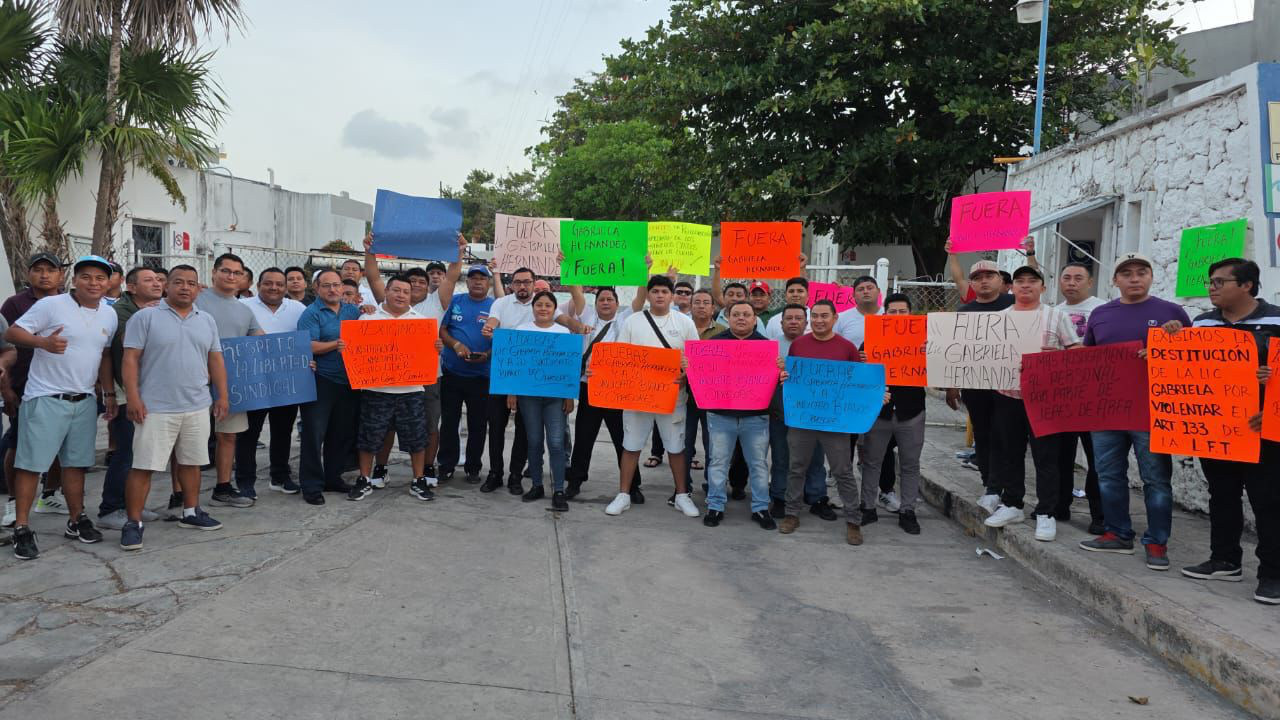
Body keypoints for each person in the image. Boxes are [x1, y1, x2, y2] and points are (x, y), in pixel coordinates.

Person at [1174, 258, 1279, 605]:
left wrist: (1272, 395)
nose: (1212, 288)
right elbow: (1189, 368)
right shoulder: (1202, 322)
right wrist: (1171, 342)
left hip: (1264, 430)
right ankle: (1224, 559)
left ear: (1247, 285)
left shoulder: (1277, 320)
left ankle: (1273, 574)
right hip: (1217, 428)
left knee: (1268, 501)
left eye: (1220, 282)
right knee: (1221, 494)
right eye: (1210, 282)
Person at [1078, 252, 1190, 570]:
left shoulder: (1172, 313)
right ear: (1115, 280)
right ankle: (1117, 533)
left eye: (1142, 272)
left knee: (1156, 480)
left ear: (1151, 277)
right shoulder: (1100, 314)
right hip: (1107, 412)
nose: (1135, 278)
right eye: (1127, 273)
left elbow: (1195, 360)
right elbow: (1087, 360)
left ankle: (1157, 542)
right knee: (1108, 476)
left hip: (1151, 412)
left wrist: (1170, 345)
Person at [3, 256, 118, 559]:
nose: (93, 283)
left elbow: (105, 356)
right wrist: (42, 343)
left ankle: (76, 519)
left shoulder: (109, 314)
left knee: (76, 464)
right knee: (31, 465)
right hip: (45, 397)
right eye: (86, 277)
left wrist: (108, 393)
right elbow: (11, 332)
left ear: (108, 283)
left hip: (84, 400)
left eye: (100, 278)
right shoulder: (51, 305)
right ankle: (22, 527)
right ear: (74, 280)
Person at [119, 264, 228, 550]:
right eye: (178, 282)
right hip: (155, 407)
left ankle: (190, 511)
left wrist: (222, 395)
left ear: (198, 289)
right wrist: (133, 397)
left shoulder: (206, 320)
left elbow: (215, 359)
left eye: (191, 283)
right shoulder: (145, 317)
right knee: (144, 466)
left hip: (197, 404)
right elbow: (130, 359)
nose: (185, 287)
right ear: (166, 285)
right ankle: (133, 523)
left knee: (191, 462)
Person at [981, 266, 1081, 541]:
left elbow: (1076, 352)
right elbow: (979, 352)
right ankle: (1012, 504)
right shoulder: (999, 318)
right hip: (1007, 394)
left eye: (1032, 281)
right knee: (1010, 452)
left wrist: (1057, 356)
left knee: (1046, 456)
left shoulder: (1057, 316)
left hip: (1044, 398)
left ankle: (1046, 511)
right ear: (1012, 287)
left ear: (1042, 288)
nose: (1026, 286)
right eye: (1020, 281)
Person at [362, 233, 465, 487]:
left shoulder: (437, 303)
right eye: (411, 282)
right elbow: (373, 277)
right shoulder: (385, 304)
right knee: (386, 427)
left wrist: (460, 252)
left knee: (428, 426)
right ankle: (381, 468)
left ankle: (426, 468)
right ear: (395, 290)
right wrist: (369, 251)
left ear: (427, 285)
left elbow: (452, 275)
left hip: (426, 378)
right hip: (386, 379)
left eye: (422, 281)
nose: (416, 285)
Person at [602, 275, 701, 518]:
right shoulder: (633, 321)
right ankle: (624, 494)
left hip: (673, 397)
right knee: (631, 445)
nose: (659, 295)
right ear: (648, 294)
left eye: (664, 291)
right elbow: (620, 356)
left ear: (672, 296)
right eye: (655, 291)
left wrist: (685, 376)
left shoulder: (685, 323)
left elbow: (696, 360)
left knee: (676, 447)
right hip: (637, 397)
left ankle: (682, 495)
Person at [480, 267, 578, 493]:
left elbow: (566, 323)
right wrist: (490, 327)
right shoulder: (502, 304)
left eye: (527, 282)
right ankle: (495, 473)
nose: (522, 286)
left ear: (534, 284)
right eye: (518, 282)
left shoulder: (548, 310)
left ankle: (516, 475)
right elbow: (493, 321)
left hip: (537, 388)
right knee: (496, 427)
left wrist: (579, 327)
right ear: (511, 284)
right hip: (505, 378)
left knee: (527, 434)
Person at [777, 300, 865, 544]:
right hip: (802, 418)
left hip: (835, 420)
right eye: (814, 316)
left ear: (835, 318)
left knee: (843, 470)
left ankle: (853, 521)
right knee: (797, 467)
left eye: (824, 316)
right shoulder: (798, 344)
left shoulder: (847, 348)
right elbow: (793, 377)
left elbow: (857, 382)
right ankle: (791, 513)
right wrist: (785, 376)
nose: (819, 320)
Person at [347, 275, 438, 502]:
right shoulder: (368, 318)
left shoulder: (422, 321)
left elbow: (428, 355)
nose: (401, 295)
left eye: (406, 292)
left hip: (411, 390)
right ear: (386, 291)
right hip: (376, 390)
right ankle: (364, 478)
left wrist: (436, 347)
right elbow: (355, 350)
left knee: (417, 438)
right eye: (396, 290)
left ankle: (418, 480)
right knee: (369, 437)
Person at [97, 266, 165, 530]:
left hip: (151, 388)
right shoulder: (121, 312)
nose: (157, 284)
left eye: (158, 279)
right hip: (127, 390)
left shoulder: (159, 308)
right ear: (132, 287)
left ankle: (131, 504)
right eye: (148, 280)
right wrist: (110, 393)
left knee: (141, 452)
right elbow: (116, 350)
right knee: (126, 452)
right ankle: (110, 508)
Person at [2, 253, 67, 523]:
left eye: (50, 270)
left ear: (60, 275)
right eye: (38, 270)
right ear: (28, 273)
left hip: (63, 384)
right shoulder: (15, 304)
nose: (44, 275)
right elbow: (5, 346)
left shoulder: (70, 302)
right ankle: (13, 501)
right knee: (18, 444)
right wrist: (6, 389)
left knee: (61, 445)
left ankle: (49, 495)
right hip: (25, 385)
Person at [854, 293, 926, 535]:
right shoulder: (870, 342)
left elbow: (938, 372)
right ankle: (867, 507)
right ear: (884, 315)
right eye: (892, 312)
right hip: (879, 412)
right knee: (872, 461)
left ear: (910, 314)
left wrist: (931, 353)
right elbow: (858, 377)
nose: (897, 316)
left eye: (902, 311)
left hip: (912, 411)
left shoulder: (924, 341)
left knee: (910, 463)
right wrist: (861, 362)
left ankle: (908, 511)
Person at [196, 253, 263, 508]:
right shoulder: (196, 298)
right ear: (214, 272)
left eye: (237, 273)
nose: (231, 276)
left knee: (228, 436)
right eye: (225, 271)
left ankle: (223, 488)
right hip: (196, 381)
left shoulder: (245, 311)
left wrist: (297, 360)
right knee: (189, 440)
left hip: (231, 383)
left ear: (243, 277)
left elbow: (264, 342)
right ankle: (181, 495)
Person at [948, 258, 1015, 509]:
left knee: (1006, 436)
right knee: (983, 435)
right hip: (975, 387)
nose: (984, 281)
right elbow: (955, 352)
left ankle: (1007, 487)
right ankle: (990, 485)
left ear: (1000, 280)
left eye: (989, 276)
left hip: (1010, 387)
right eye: (977, 278)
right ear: (972, 284)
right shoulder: (964, 312)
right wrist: (952, 386)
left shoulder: (1015, 305)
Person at [702, 301, 775, 529]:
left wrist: (780, 370)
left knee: (758, 465)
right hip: (720, 416)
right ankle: (715, 505)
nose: (741, 318)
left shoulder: (766, 347)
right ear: (728, 318)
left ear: (755, 319)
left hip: (756, 417)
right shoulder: (713, 344)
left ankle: (761, 508)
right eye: (736, 314)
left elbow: (774, 381)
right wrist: (691, 365)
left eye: (746, 314)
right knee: (718, 463)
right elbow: (702, 375)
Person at [236, 267, 307, 496]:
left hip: (286, 382)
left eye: (279, 284)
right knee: (249, 434)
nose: (274, 288)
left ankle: (280, 476)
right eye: (268, 283)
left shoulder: (298, 309)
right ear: (258, 286)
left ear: (285, 288)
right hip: (253, 381)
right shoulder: (243, 306)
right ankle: (245, 482)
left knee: (282, 432)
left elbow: (305, 341)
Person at [565, 287, 641, 500]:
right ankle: (575, 480)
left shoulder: (626, 319)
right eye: (601, 300)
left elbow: (640, 298)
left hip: (617, 389)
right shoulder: (587, 316)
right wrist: (570, 269)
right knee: (584, 436)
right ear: (595, 303)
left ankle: (632, 485)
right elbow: (576, 291)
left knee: (622, 437)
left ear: (617, 303)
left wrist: (644, 274)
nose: (605, 303)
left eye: (610, 299)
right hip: (589, 387)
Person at [296, 269, 363, 505]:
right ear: (316, 288)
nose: (332, 290)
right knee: (314, 435)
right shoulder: (311, 313)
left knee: (340, 434)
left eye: (336, 285)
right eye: (326, 286)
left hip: (349, 380)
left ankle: (333, 478)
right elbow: (308, 345)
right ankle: (311, 486)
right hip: (320, 380)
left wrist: (369, 311)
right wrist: (336, 344)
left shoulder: (352, 311)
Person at [506, 291, 575, 511]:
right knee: (534, 441)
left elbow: (568, 367)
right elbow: (515, 364)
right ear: (533, 307)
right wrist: (512, 393)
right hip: (529, 397)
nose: (543, 308)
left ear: (555, 309)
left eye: (548, 305)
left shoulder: (563, 332)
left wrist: (569, 396)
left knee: (556, 443)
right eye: (539, 305)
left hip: (555, 398)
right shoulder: (522, 330)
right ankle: (537, 485)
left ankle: (559, 490)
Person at [767, 303, 831, 520]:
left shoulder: (818, 344)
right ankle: (779, 497)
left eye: (798, 318)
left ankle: (817, 497)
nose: (793, 322)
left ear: (806, 323)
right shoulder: (770, 347)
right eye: (789, 318)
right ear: (781, 322)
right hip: (781, 413)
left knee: (815, 458)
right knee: (781, 457)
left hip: (813, 413)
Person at [1056, 261, 1106, 534]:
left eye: (1078, 278)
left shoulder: (1103, 310)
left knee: (1097, 458)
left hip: (1095, 397)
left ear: (1090, 282)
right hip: (1062, 397)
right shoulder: (1054, 313)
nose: (1072, 283)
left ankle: (1099, 515)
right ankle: (1059, 506)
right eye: (1067, 277)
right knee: (1061, 456)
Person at [437, 265, 496, 485]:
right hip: (452, 373)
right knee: (449, 422)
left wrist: (487, 355)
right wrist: (455, 344)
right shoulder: (455, 301)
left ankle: (473, 467)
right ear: (467, 281)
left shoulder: (495, 306)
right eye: (473, 278)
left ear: (489, 282)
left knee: (478, 425)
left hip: (482, 376)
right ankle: (446, 465)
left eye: (482, 278)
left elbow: (503, 338)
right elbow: (442, 329)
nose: (478, 282)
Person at [834, 275, 881, 348]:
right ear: (853, 294)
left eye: (870, 288)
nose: (865, 292)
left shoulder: (890, 315)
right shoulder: (840, 318)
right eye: (860, 289)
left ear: (878, 291)